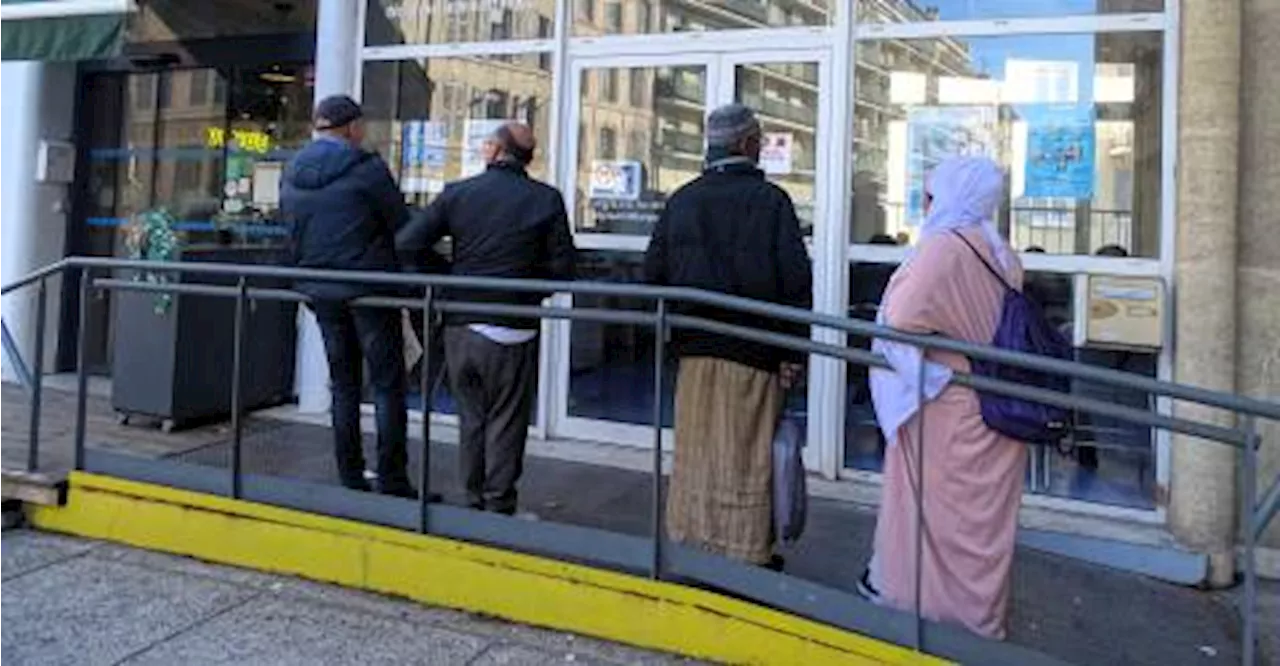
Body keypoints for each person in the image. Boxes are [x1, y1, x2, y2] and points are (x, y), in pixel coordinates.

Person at [859, 156, 1026, 640]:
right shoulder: (999, 249)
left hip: (949, 410)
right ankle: (980, 620)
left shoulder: (945, 249)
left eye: (930, 194)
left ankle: (923, 612)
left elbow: (901, 317)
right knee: (980, 530)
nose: (925, 204)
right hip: (993, 407)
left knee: (934, 520)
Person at [644, 104, 812, 568]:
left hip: (695, 351)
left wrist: (671, 333)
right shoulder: (772, 202)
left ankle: (690, 539)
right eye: (758, 138)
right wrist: (793, 352)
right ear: (746, 144)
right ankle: (745, 552)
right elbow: (794, 283)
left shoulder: (682, 199)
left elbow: (653, 274)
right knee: (746, 456)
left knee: (697, 452)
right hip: (754, 353)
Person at [397, 122, 575, 515]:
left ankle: (471, 496)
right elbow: (563, 268)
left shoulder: (459, 194)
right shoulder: (545, 199)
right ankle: (499, 501)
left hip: (462, 325)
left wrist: (448, 277)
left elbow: (408, 242)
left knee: (471, 417)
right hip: (514, 325)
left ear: (495, 150)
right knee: (507, 420)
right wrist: (528, 290)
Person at [280, 95, 418, 497]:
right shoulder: (368, 169)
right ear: (352, 128)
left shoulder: (293, 169)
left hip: (320, 290)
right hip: (370, 291)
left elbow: (290, 228)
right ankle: (392, 478)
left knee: (343, 384)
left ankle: (350, 475)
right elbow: (402, 225)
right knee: (388, 385)